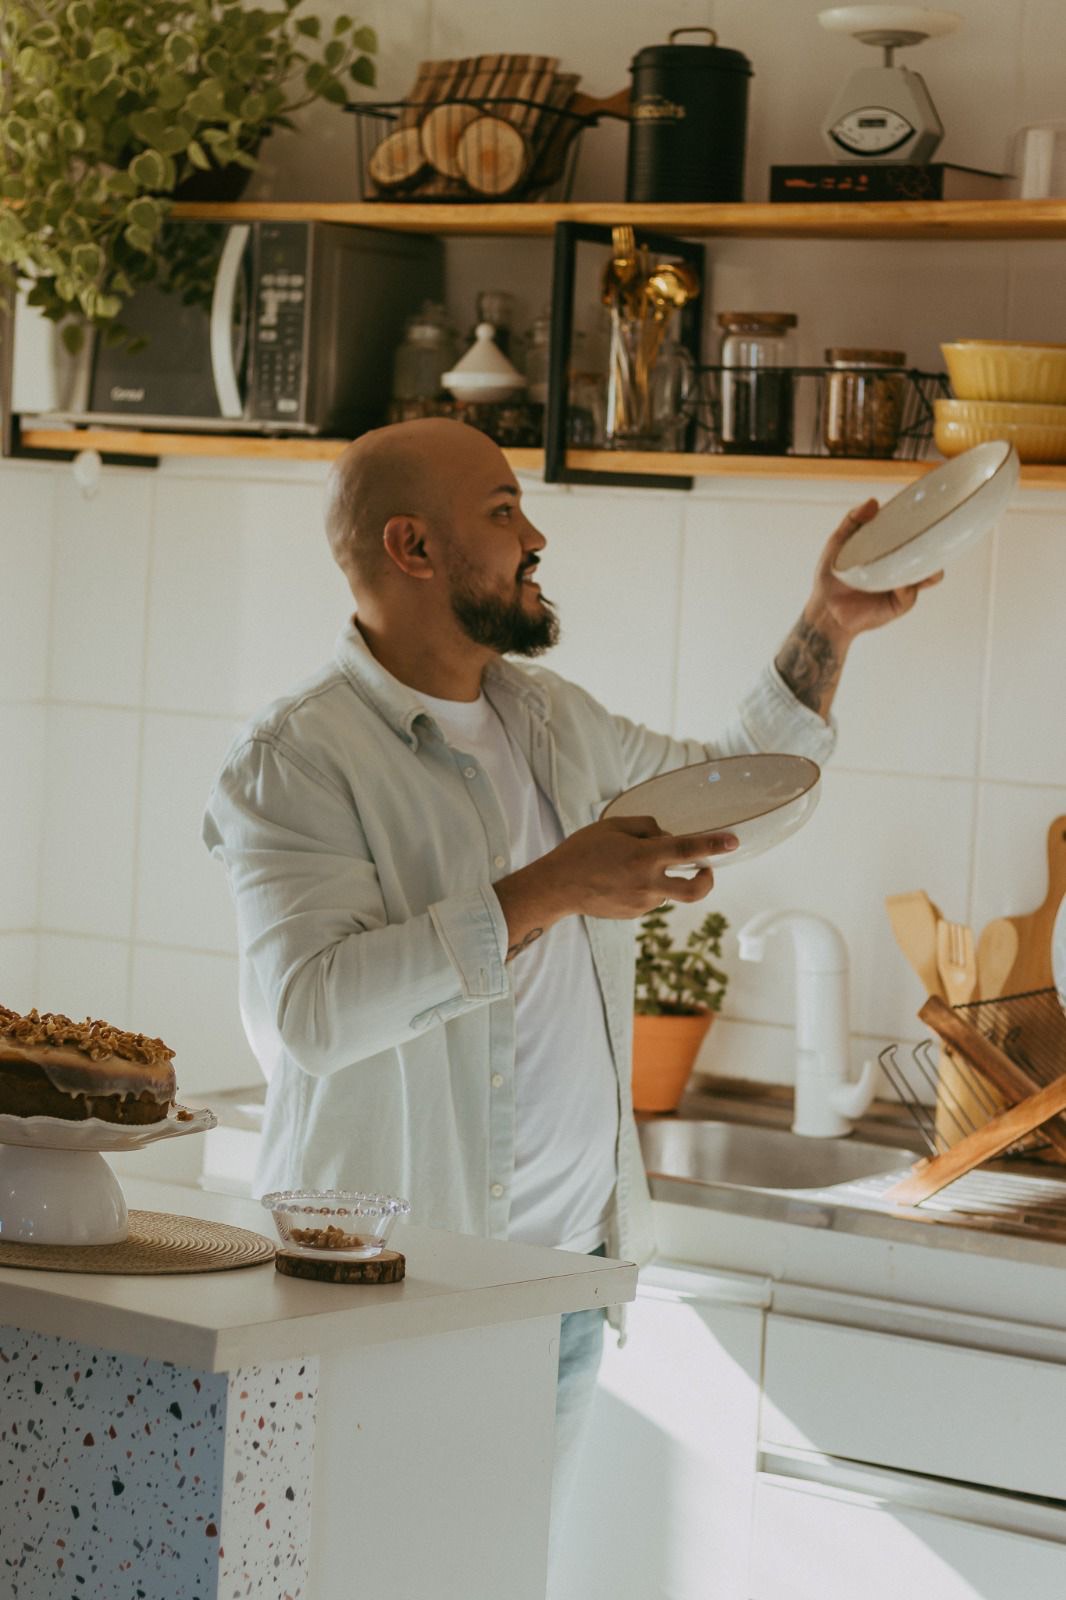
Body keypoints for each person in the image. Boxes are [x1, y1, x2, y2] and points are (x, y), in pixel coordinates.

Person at [202, 416, 940, 1571]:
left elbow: (736, 794)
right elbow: (309, 1014)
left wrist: (827, 626)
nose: (534, 536)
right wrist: (545, 890)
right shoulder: (298, 758)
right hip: (387, 1296)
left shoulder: (548, 719)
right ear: (412, 547)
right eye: (503, 511)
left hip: (553, 1288)